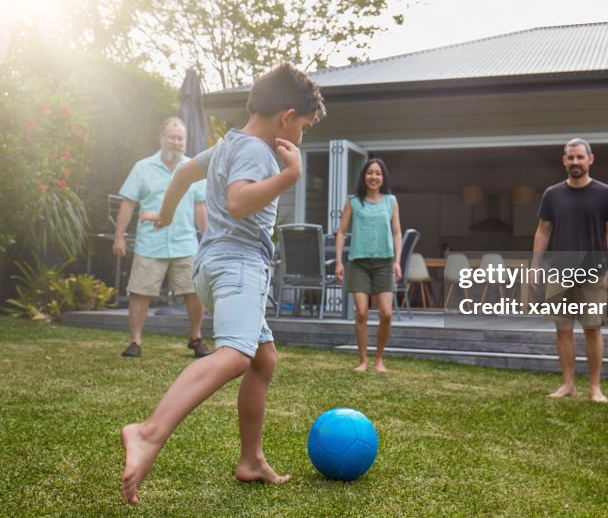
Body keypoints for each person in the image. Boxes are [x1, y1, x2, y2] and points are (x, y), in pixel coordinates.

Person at [120, 64, 325, 505]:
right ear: (287, 116)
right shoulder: (256, 150)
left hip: (211, 265)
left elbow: (182, 175)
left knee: (263, 359)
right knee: (235, 356)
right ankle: (148, 432)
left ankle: (250, 459)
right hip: (238, 267)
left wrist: (167, 212)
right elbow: (237, 202)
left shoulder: (229, 143)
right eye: (304, 127)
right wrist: (290, 177)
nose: (301, 136)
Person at [529, 138, 608, 403]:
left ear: (590, 159)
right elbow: (542, 231)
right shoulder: (552, 194)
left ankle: (595, 388)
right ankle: (568, 384)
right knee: (563, 328)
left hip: (593, 272)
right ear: (564, 161)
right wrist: (534, 266)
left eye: (580, 157)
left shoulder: (606, 193)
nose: (575, 162)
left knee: (592, 328)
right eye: (570, 158)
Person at [114, 118, 212, 359]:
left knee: (195, 291)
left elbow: (201, 207)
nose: (176, 142)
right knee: (140, 292)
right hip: (150, 242)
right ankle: (135, 342)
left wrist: (208, 238)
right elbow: (128, 203)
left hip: (185, 241)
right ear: (162, 138)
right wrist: (119, 236)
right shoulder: (142, 167)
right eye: (172, 137)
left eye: (181, 139)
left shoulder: (194, 168)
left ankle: (196, 337)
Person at [334, 158, 402, 373]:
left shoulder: (391, 201)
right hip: (359, 263)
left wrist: (398, 261)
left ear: (383, 178)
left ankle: (379, 359)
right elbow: (342, 232)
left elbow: (397, 232)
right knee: (361, 312)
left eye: (378, 173)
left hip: (384, 263)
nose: (374, 177)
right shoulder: (353, 202)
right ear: (364, 176)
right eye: (370, 173)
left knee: (386, 313)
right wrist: (338, 261)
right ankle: (363, 360)